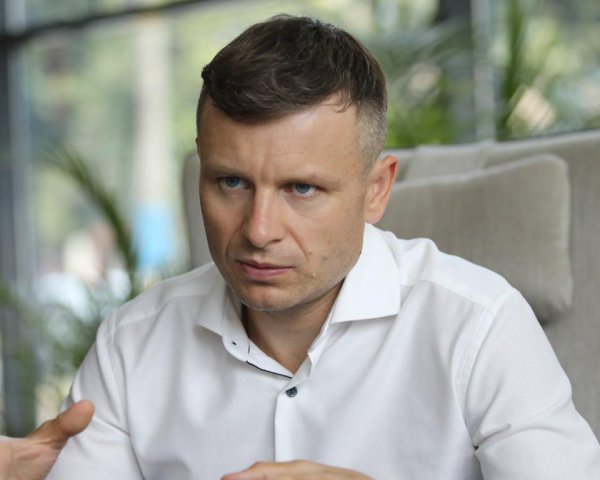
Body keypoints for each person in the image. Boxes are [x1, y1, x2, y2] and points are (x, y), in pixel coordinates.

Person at [2, 14, 600, 480]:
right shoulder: (132, 344)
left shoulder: (479, 327)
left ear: (376, 189)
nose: (259, 230)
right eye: (231, 182)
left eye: (302, 188)